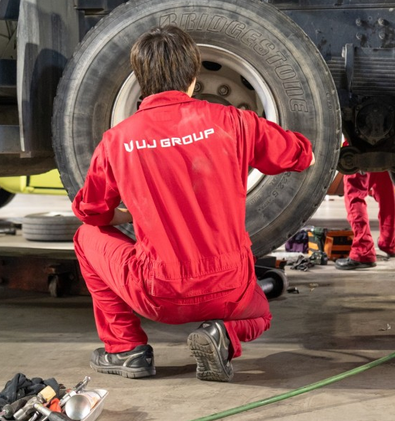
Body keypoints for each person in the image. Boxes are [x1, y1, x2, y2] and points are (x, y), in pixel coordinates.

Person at [72, 25, 314, 382]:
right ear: (193, 74)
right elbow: (300, 155)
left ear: (141, 80)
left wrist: (124, 212)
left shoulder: (118, 140)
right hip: (229, 287)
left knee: (85, 237)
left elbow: (89, 212)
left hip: (159, 293)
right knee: (259, 314)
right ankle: (223, 335)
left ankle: (127, 350)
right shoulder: (233, 121)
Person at [334, 170, 395, 269]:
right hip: (388, 155)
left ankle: (363, 251)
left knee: (354, 191)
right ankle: (389, 242)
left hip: (360, 155)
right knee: (386, 191)